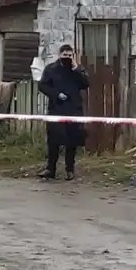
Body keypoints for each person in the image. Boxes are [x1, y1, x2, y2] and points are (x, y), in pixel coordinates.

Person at [37, 44, 89, 181]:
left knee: (72, 141)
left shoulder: (77, 69)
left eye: (69, 55)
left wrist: (76, 69)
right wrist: (56, 94)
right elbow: (42, 85)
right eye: (64, 55)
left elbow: (86, 83)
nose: (67, 58)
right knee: (53, 140)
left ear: (73, 56)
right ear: (59, 55)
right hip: (56, 108)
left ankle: (69, 170)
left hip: (74, 109)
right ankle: (50, 169)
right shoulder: (51, 69)